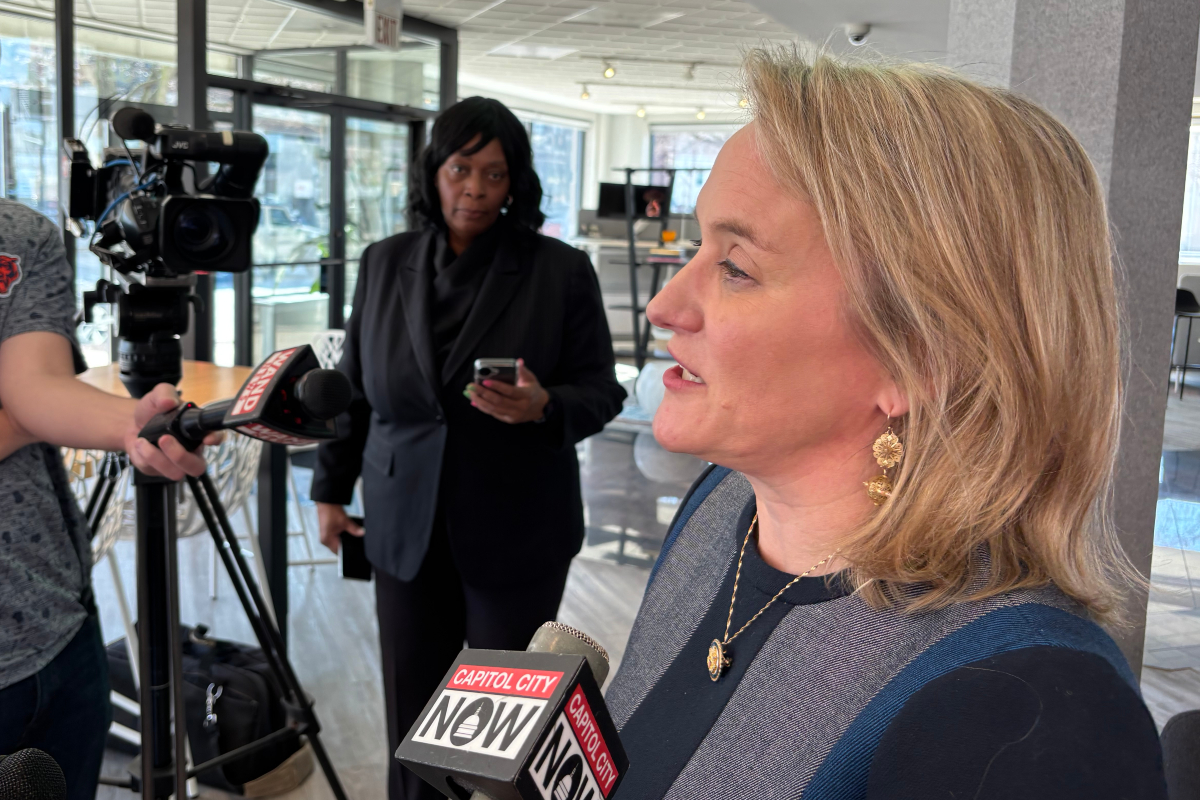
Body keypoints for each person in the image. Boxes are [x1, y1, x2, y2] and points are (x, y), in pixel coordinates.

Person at [604, 48, 1165, 799]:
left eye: (735, 266)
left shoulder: (1027, 715)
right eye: (697, 245)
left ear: (922, 354)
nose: (665, 306)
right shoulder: (722, 512)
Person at [312, 97, 626, 800]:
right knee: (412, 711)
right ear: (434, 173)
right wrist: (329, 491)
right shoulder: (384, 262)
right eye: (461, 169)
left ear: (515, 181)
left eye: (494, 172)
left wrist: (547, 405)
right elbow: (355, 390)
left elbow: (604, 392)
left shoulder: (560, 271)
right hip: (402, 525)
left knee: (501, 729)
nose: (476, 189)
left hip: (516, 527)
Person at [0, 199, 217, 799]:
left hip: (57, 618)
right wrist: (20, 420)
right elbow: (26, 406)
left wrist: (136, 423)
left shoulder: (19, 234)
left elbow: (34, 386)